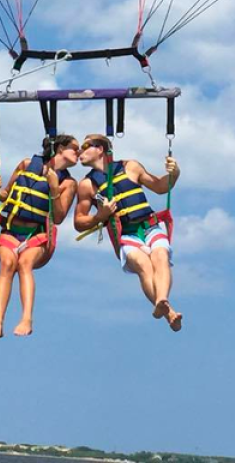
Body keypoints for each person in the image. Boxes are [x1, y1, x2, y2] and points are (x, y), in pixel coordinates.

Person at [74, 134, 182, 331]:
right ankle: (168, 313)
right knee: (143, 265)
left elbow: (159, 186)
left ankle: (163, 300)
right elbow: (79, 222)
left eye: (85, 146)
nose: (80, 151)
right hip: (127, 235)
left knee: (160, 256)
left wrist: (174, 175)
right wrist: (100, 215)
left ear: (100, 149)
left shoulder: (130, 167)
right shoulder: (86, 185)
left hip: (150, 226)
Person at [0, 134, 79, 340]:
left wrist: (54, 188)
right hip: (10, 231)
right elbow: (6, 195)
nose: (78, 153)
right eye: (75, 148)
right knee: (7, 264)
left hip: (36, 235)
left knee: (24, 264)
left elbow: (60, 216)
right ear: (60, 149)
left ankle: (27, 318)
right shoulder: (26, 164)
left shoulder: (69, 183)